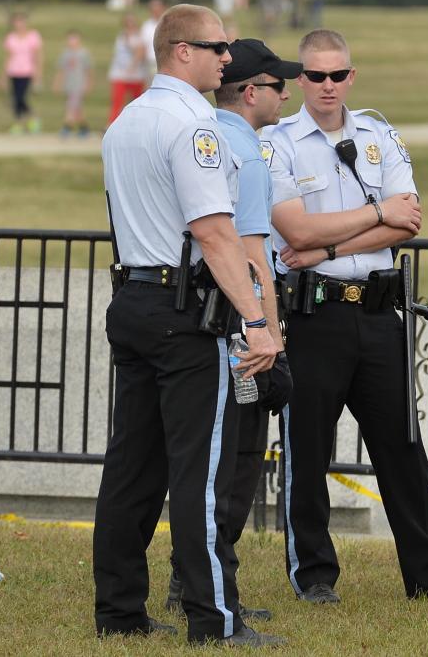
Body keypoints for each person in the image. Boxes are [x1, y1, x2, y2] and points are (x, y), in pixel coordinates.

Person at [262, 28, 428, 605]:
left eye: (338, 75)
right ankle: (313, 577)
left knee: (403, 448)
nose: (327, 86)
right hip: (316, 317)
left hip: (380, 314)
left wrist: (331, 247)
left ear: (352, 77)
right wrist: (373, 214)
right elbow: (296, 231)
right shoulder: (279, 143)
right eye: (314, 75)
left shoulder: (380, 136)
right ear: (299, 79)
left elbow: (409, 221)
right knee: (308, 449)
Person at [94, 3, 284, 647]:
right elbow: (214, 231)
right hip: (185, 310)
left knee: (131, 467)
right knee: (198, 474)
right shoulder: (195, 125)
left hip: (135, 298)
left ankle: (118, 612)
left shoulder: (125, 122)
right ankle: (215, 621)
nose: (227, 59)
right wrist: (257, 321)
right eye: (217, 47)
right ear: (182, 50)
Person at [163, 37, 300, 623]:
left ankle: (202, 581)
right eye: (276, 86)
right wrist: (268, 328)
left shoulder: (220, 136)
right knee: (235, 461)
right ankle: (206, 586)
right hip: (239, 321)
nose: (286, 94)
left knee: (224, 459)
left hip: (205, 314)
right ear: (250, 93)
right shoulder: (239, 146)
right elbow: (249, 247)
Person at [0, 12, 43, 134]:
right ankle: (19, 123)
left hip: (27, 71)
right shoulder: (11, 38)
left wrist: (38, 75)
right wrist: (3, 76)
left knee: (20, 97)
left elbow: (37, 56)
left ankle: (33, 118)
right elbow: (8, 57)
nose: (19, 24)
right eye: (16, 22)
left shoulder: (33, 36)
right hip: (13, 71)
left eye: (21, 21)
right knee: (16, 99)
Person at [107, 13, 147, 125]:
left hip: (136, 75)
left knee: (136, 102)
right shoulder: (121, 36)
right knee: (117, 101)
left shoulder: (139, 37)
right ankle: (112, 123)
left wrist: (132, 66)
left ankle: (137, 124)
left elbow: (140, 53)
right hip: (119, 74)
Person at [52, 29, 93, 138]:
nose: (71, 41)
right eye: (69, 39)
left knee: (71, 106)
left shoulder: (83, 53)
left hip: (79, 84)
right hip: (69, 84)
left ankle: (67, 127)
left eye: (74, 38)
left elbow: (88, 70)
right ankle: (84, 128)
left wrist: (89, 84)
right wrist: (57, 83)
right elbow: (61, 70)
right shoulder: (65, 54)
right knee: (77, 108)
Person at [140, 0, 168, 82]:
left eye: (157, 7)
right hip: (151, 63)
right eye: (153, 8)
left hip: (167, 63)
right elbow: (143, 46)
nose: (155, 10)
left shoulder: (169, 24)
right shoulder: (146, 26)